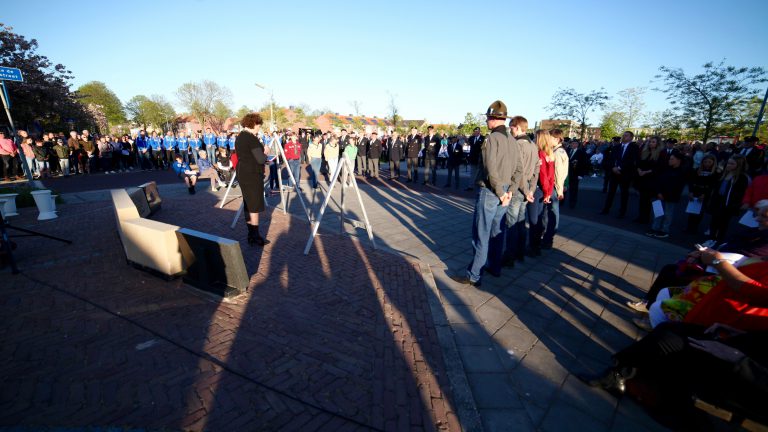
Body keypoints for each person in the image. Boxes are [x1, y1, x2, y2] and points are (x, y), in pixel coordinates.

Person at [451, 100, 520, 286]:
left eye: (488, 118)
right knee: (497, 231)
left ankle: (474, 275)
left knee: (481, 234)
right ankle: (494, 266)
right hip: (505, 192)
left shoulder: (491, 139)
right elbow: (519, 170)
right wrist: (510, 192)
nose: (487, 122)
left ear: (493, 119)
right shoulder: (513, 141)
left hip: (491, 190)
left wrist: (499, 192)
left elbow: (490, 168)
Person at [502, 116, 538, 266]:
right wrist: (531, 189)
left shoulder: (517, 145)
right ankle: (520, 253)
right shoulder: (532, 144)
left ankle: (509, 256)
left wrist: (525, 190)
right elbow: (537, 169)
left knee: (511, 223)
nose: (510, 131)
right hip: (527, 187)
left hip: (517, 188)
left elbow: (519, 171)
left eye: (511, 128)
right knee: (521, 222)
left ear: (516, 127)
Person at [235, 113, 271, 246]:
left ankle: (251, 234)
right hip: (252, 174)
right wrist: (266, 151)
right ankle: (255, 236)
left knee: (248, 203)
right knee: (253, 205)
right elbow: (260, 159)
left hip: (243, 172)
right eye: (259, 126)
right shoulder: (251, 138)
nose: (259, 129)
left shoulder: (240, 137)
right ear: (254, 124)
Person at [646, 150, 687, 239]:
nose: (670, 160)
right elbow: (658, 181)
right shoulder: (665, 169)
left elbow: (678, 187)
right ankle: (655, 228)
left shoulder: (681, 172)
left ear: (678, 160)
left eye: (672, 159)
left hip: (671, 197)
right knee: (657, 212)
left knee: (668, 214)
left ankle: (664, 230)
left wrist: (666, 194)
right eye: (669, 159)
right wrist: (658, 192)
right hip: (659, 194)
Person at [709, 155, 749, 244]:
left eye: (732, 164)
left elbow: (739, 194)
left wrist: (733, 205)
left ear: (739, 165)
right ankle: (711, 239)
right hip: (718, 201)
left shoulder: (741, 178)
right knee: (714, 222)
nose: (728, 165)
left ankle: (718, 241)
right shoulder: (725, 173)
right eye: (728, 163)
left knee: (722, 224)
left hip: (728, 204)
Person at [600, 131, 639, 218]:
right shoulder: (616, 147)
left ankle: (622, 212)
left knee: (624, 193)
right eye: (623, 135)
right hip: (614, 173)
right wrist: (613, 167)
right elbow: (611, 159)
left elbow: (632, 160)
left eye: (626, 135)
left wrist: (620, 168)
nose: (624, 137)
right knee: (611, 192)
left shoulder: (634, 147)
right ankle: (606, 209)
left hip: (625, 174)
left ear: (631, 138)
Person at [529, 130, 556, 256]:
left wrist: (546, 192)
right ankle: (536, 246)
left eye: (535, 137)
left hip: (538, 189)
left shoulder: (540, 153)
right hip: (545, 190)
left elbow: (544, 176)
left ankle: (533, 248)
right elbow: (551, 177)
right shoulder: (549, 154)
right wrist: (549, 192)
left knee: (534, 220)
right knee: (539, 219)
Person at [686, 154, 718, 234]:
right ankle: (689, 227)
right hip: (695, 192)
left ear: (713, 163)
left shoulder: (714, 173)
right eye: (705, 162)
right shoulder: (697, 170)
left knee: (700, 212)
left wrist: (704, 194)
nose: (707, 163)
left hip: (705, 194)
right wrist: (690, 192)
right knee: (692, 211)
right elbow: (691, 181)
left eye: (709, 162)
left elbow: (712, 185)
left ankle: (694, 228)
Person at [634, 137, 663, 223]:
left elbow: (659, 167)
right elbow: (638, 163)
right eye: (650, 142)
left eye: (653, 142)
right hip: (642, 179)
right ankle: (641, 216)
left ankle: (648, 218)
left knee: (650, 200)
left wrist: (646, 172)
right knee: (642, 199)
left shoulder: (660, 153)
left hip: (652, 180)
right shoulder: (645, 152)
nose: (651, 143)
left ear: (657, 144)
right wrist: (639, 170)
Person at [567, 139, 588, 208]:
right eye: (572, 143)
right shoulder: (568, 150)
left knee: (574, 190)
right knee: (564, 188)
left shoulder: (581, 152)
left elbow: (584, 164)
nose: (573, 145)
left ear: (578, 144)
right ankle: (561, 201)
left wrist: (581, 174)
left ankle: (572, 203)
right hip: (567, 173)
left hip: (575, 174)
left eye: (575, 143)